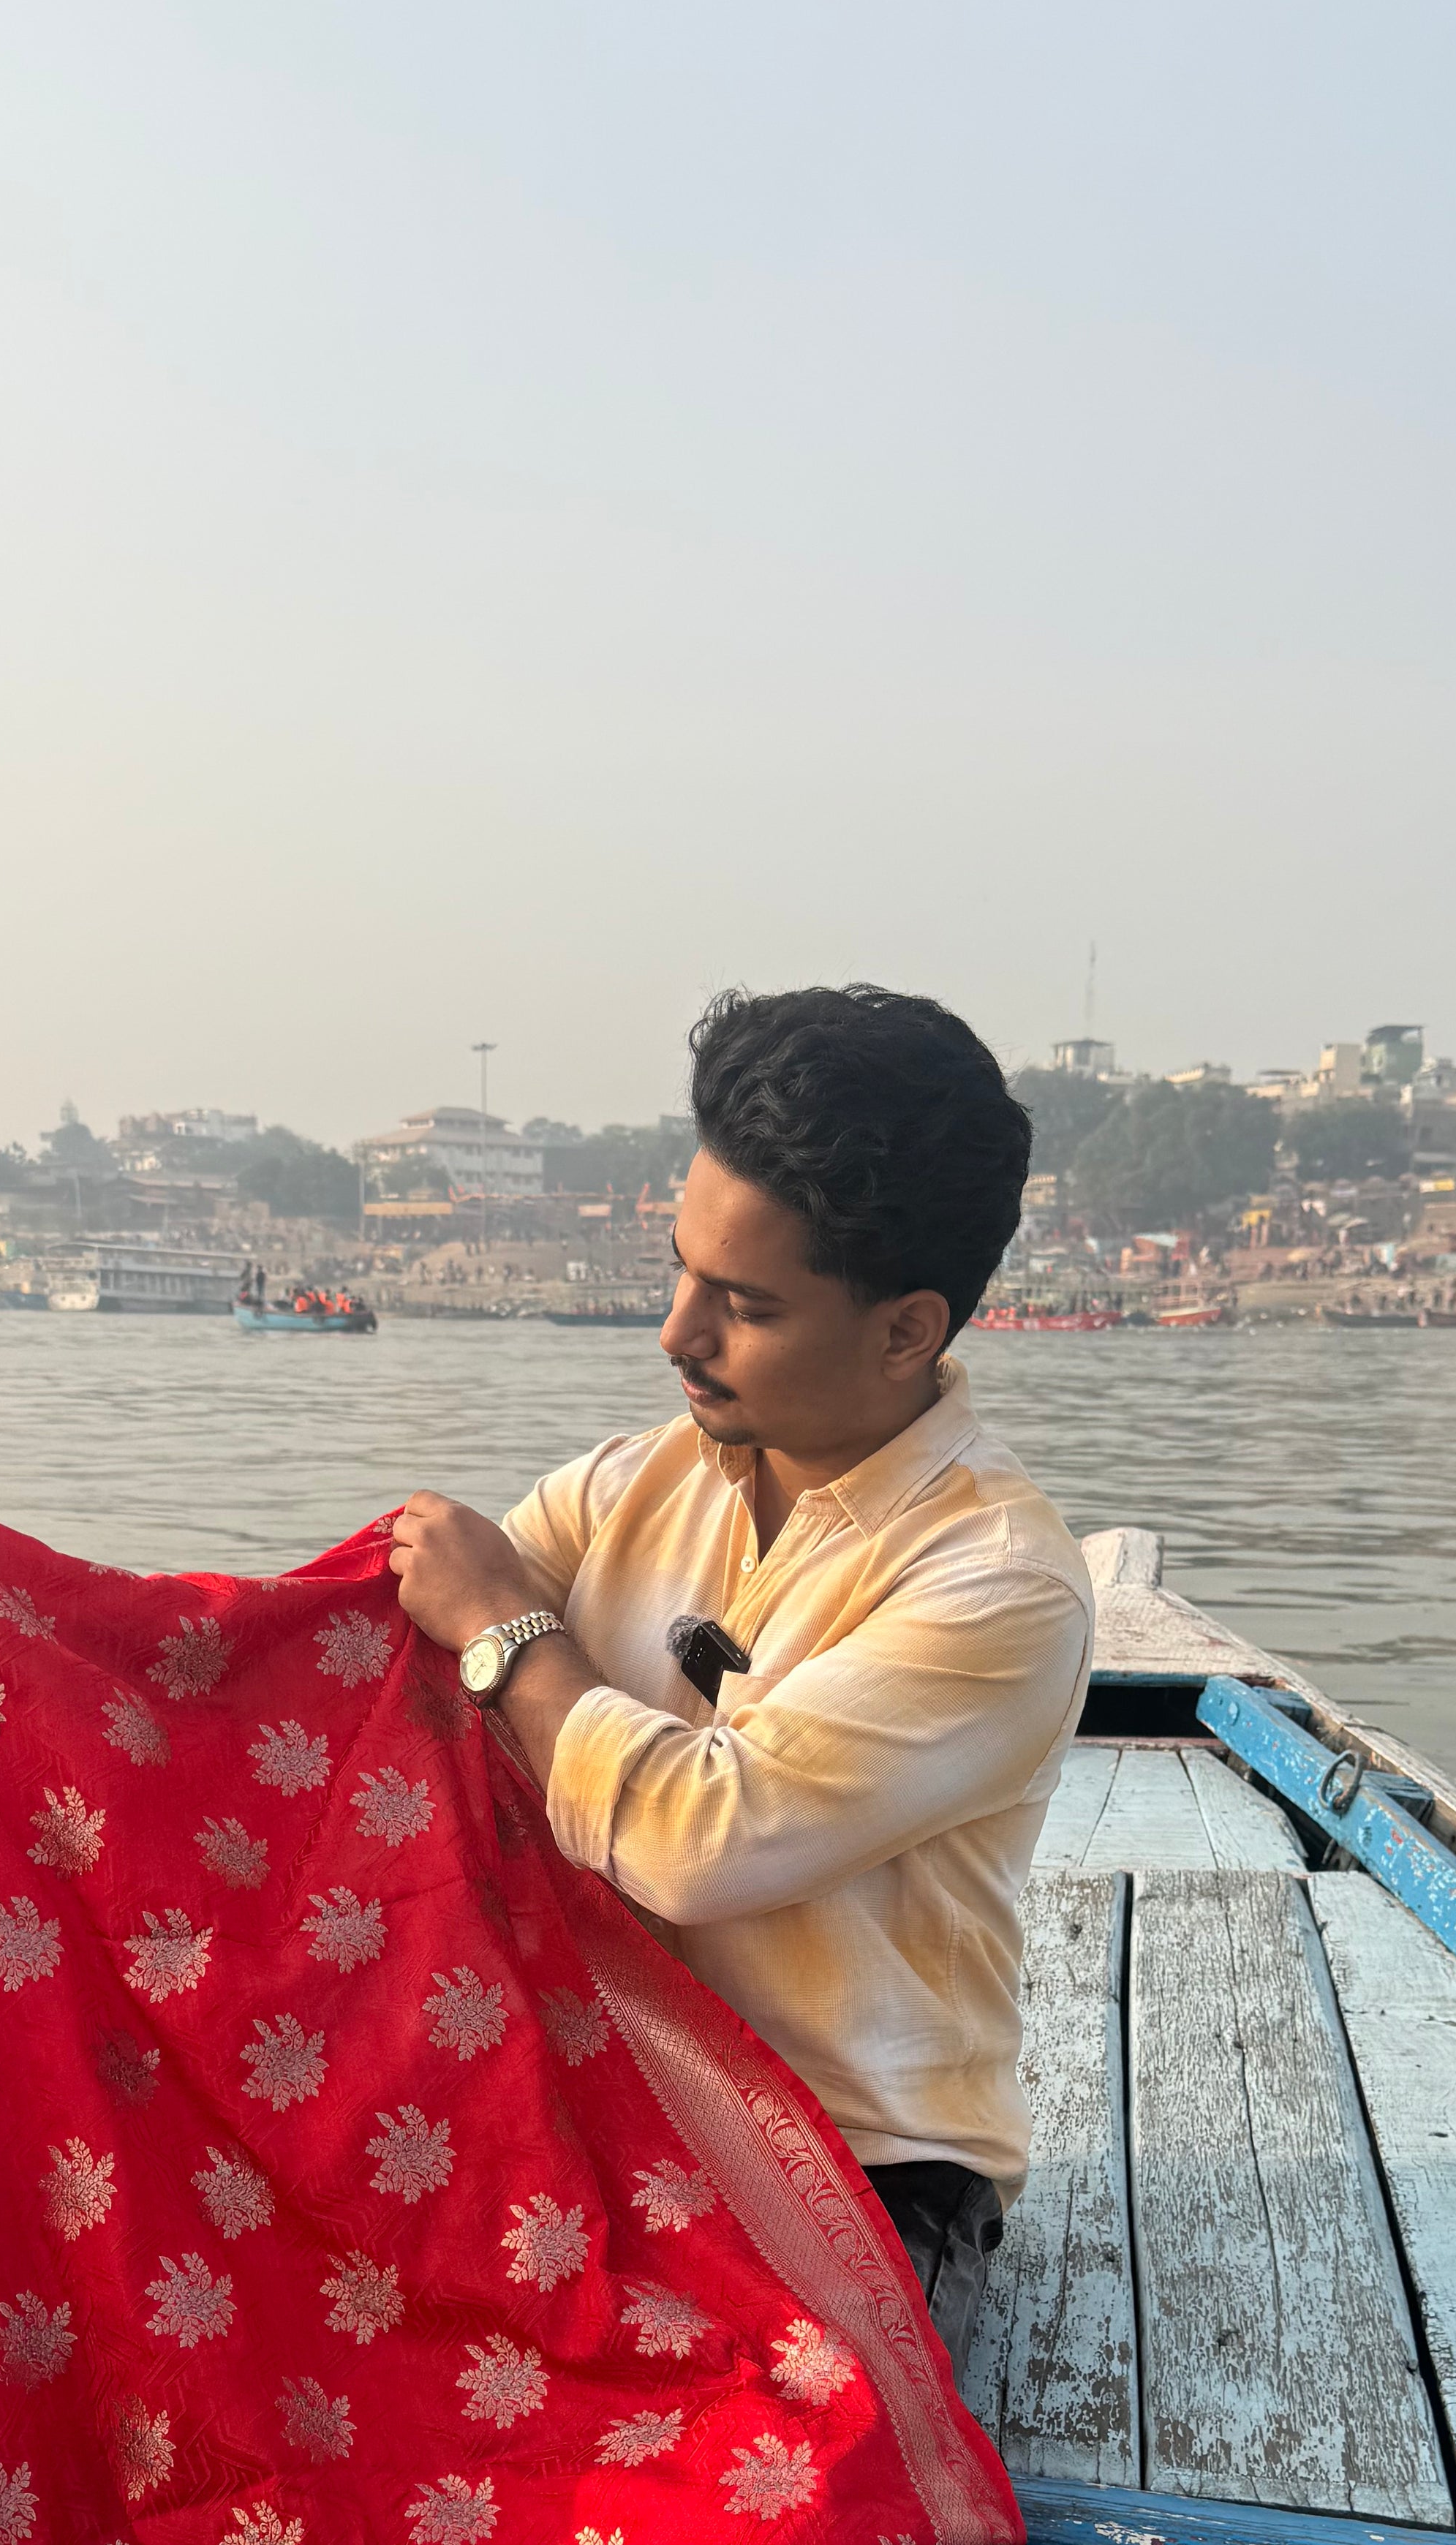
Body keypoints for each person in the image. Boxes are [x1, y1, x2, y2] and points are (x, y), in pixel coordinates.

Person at [391, 983, 1093, 2354]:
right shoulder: (641, 1479)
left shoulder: (998, 1585)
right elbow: (410, 1644)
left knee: (706, 2455)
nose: (677, 1334)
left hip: (862, 2160)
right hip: (612, 2099)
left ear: (907, 1330)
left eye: (744, 1306)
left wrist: (512, 1631)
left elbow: (700, 1840)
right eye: (682, 1273)